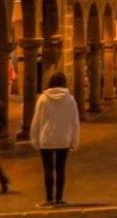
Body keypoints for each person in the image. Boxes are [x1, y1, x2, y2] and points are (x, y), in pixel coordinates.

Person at [29, 70, 80, 207]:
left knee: (48, 169)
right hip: (63, 138)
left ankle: (49, 198)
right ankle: (59, 198)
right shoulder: (70, 99)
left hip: (46, 138)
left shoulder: (43, 98)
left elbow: (36, 120)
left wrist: (34, 139)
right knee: (60, 169)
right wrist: (74, 141)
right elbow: (75, 121)